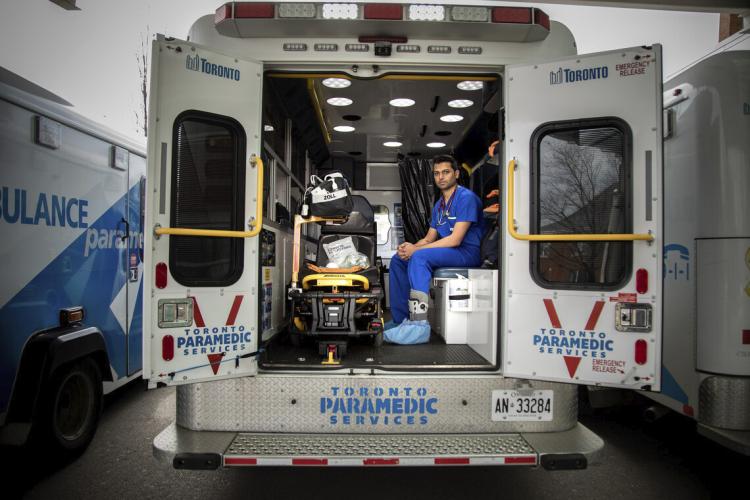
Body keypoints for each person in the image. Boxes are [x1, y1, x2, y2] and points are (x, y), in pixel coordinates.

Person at [385, 154, 485, 343]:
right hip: (450, 251)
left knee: (420, 258)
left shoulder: (466, 198)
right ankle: (400, 321)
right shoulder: (439, 205)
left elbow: (455, 240)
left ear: (455, 174)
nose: (441, 177)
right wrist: (410, 247)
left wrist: (417, 252)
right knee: (399, 259)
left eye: (446, 172)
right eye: (437, 173)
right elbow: (429, 238)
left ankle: (419, 325)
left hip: (467, 253)